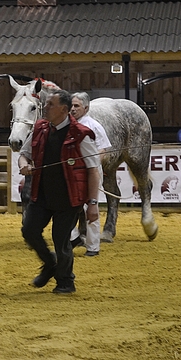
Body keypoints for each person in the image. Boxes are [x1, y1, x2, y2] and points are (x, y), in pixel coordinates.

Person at [18, 88, 101, 294]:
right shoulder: (40, 129)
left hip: (69, 198)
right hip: (42, 194)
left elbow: (93, 171)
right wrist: (24, 165)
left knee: (61, 240)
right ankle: (50, 263)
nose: (45, 107)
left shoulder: (81, 135)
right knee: (29, 230)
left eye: (50, 105)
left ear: (64, 110)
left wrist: (92, 204)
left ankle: (65, 281)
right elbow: (24, 154)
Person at [69, 92, 112, 257]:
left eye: (76, 106)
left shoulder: (93, 126)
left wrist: (91, 166)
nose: (72, 109)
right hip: (71, 172)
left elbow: (103, 149)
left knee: (90, 207)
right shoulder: (66, 124)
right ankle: (73, 238)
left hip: (89, 172)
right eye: (71, 105)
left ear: (86, 108)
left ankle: (93, 247)